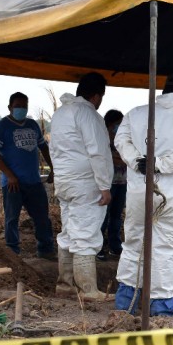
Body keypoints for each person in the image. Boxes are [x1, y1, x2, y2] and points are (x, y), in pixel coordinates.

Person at [113, 75, 173, 316]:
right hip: (168, 196)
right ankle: (161, 307)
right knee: (164, 247)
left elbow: (120, 140)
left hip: (138, 193)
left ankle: (126, 301)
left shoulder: (136, 113)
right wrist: (159, 163)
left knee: (133, 242)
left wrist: (139, 162)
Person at [50, 72, 113, 301]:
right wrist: (105, 186)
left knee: (68, 232)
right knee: (86, 233)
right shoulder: (88, 114)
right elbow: (98, 151)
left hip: (65, 181)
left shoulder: (60, 114)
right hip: (86, 183)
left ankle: (65, 285)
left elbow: (54, 149)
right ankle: (88, 290)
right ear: (96, 96)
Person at [0, 92, 56, 260]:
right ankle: (13, 254)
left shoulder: (32, 125)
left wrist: (53, 167)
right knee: (12, 219)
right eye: (18, 106)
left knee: (42, 217)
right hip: (13, 183)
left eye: (24, 106)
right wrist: (10, 176)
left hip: (33, 181)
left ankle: (46, 250)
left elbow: (43, 147)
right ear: (10, 107)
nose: (21, 109)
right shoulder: (1, 127)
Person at [98, 109, 127, 261]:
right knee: (103, 216)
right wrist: (124, 159)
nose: (119, 127)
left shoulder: (122, 140)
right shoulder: (102, 140)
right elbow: (110, 158)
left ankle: (115, 246)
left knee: (116, 216)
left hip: (122, 182)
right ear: (109, 124)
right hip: (107, 184)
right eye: (117, 124)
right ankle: (99, 247)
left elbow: (126, 157)